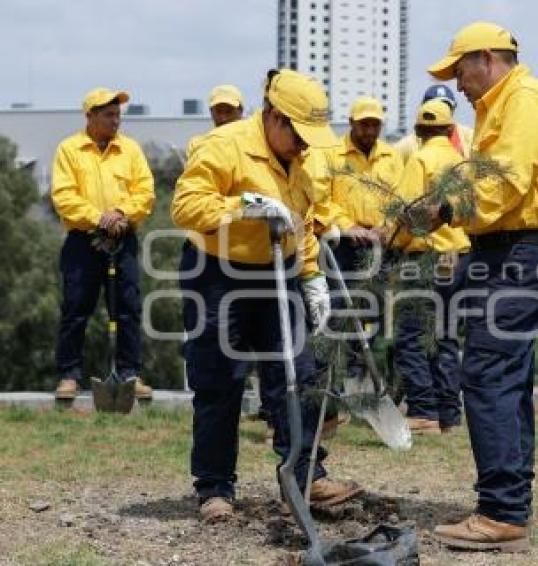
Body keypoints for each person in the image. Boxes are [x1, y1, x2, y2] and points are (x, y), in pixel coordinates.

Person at [171, 69, 363, 523]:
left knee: (297, 374)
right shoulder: (224, 145)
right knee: (220, 378)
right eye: (298, 135)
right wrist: (243, 207)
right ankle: (215, 488)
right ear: (275, 118)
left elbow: (307, 219)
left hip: (281, 270)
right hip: (217, 273)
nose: (305, 146)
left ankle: (305, 476)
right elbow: (185, 205)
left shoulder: (303, 158)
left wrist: (313, 275)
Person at [423, 21, 538, 551]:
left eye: (459, 70)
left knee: (487, 374)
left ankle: (503, 513)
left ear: (486, 59)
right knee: (505, 376)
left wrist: (445, 208)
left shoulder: (524, 101)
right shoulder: (502, 107)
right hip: (505, 250)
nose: (457, 84)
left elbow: (505, 183)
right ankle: (509, 502)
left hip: (517, 251)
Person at [52, 88, 155, 401]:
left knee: (127, 308)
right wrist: (100, 218)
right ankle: (69, 376)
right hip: (83, 242)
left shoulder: (131, 150)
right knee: (75, 309)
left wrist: (122, 214)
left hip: (122, 239)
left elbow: (145, 193)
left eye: (118, 114)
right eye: (109, 114)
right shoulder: (70, 150)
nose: (116, 120)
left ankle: (129, 375)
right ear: (90, 116)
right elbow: (64, 197)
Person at [390, 99, 471, 435]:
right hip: (460, 257)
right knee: (446, 337)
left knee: (410, 336)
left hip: (425, 258)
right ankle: (449, 414)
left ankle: (423, 410)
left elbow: (409, 212)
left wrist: (393, 245)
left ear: (420, 131)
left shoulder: (420, 159)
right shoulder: (463, 163)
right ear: (450, 129)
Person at [312, 96, 404, 379]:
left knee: (372, 311)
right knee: (337, 309)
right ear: (351, 123)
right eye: (363, 124)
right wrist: (348, 226)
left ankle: (357, 374)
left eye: (374, 124)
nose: (369, 130)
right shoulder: (331, 155)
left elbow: (400, 197)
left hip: (378, 247)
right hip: (341, 246)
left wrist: (385, 227)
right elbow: (321, 199)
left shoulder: (391, 157)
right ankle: (327, 375)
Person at [393, 85, 474, 162]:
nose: (440, 110)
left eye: (445, 106)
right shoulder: (407, 146)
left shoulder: (470, 137)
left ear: (453, 109)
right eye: (434, 106)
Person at [186, 84, 245, 157]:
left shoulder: (253, 146)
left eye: (229, 111)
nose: (223, 118)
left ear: (240, 111)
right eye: (218, 111)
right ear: (211, 112)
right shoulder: (197, 145)